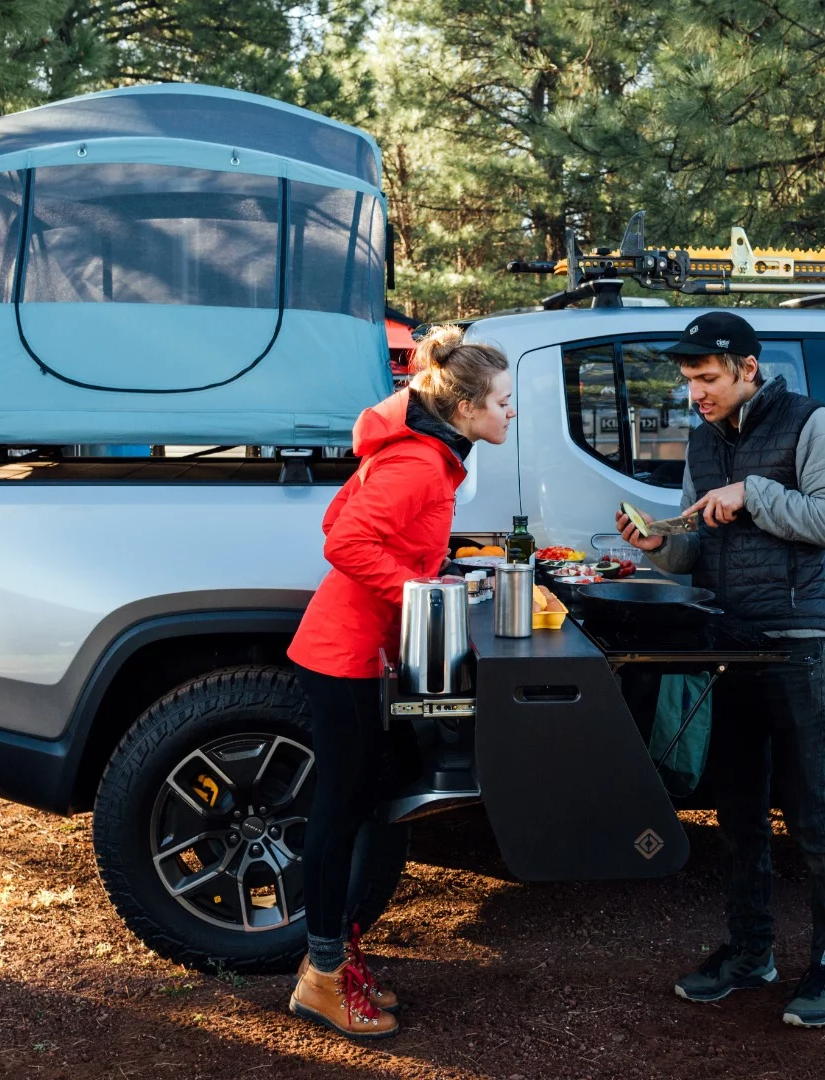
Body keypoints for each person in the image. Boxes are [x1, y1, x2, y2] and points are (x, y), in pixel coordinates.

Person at [614, 310, 825, 1028]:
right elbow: (700, 550)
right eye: (689, 380)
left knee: (812, 812)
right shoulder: (702, 439)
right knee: (738, 815)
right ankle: (751, 952)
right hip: (725, 644)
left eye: (705, 378)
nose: (694, 392)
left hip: (791, 641)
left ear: (746, 369)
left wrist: (751, 493)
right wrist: (656, 541)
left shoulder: (812, 423)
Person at [285, 325, 514, 1041]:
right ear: (468, 406)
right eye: (504, 401)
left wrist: (432, 577)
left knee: (356, 808)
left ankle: (332, 963)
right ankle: (320, 980)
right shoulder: (419, 462)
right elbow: (343, 540)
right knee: (337, 815)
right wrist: (418, 593)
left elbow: (340, 516)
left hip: (356, 652)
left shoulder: (428, 455)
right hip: (341, 654)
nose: (511, 413)